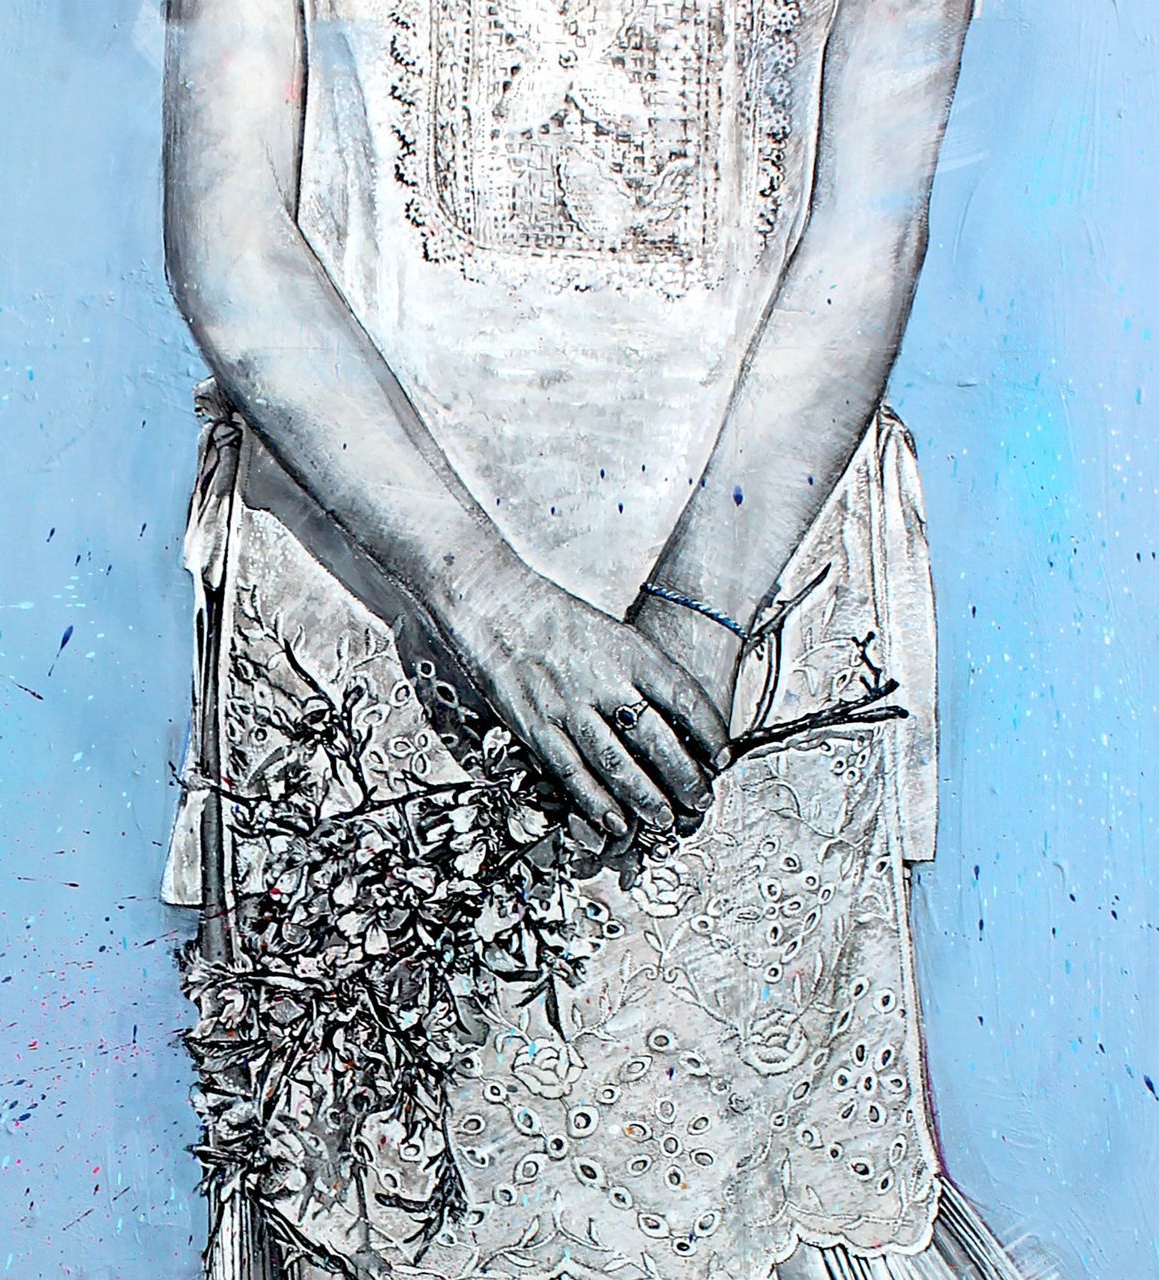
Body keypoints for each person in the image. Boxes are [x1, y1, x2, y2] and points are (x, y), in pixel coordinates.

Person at [159, 1, 1045, 1278]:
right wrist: (490, 601)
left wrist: (701, 622)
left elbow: (870, 221)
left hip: (743, 640)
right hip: (379, 644)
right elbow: (230, 233)